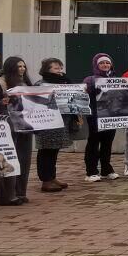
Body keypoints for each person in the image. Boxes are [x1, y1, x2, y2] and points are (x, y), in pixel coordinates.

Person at [0, 56, 34, 206]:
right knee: (8, 157)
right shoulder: (0, 83)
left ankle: (20, 192)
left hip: (25, 124)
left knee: (24, 158)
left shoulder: (25, 82)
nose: (22, 69)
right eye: (19, 66)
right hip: (7, 124)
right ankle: (6, 195)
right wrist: (1, 103)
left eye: (23, 66)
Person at [35, 58, 76, 193]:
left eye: (60, 68)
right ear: (47, 70)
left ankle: (52, 177)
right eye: (55, 68)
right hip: (47, 123)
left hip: (61, 122)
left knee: (54, 150)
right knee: (46, 150)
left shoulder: (65, 83)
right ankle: (45, 180)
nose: (59, 71)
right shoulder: (40, 84)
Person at [83, 53, 121, 181]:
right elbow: (83, 96)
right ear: (96, 65)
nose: (105, 65)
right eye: (102, 63)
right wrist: (94, 91)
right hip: (95, 116)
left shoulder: (116, 78)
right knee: (93, 143)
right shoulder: (90, 79)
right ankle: (91, 171)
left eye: (107, 63)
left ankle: (106, 169)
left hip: (111, 116)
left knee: (107, 143)